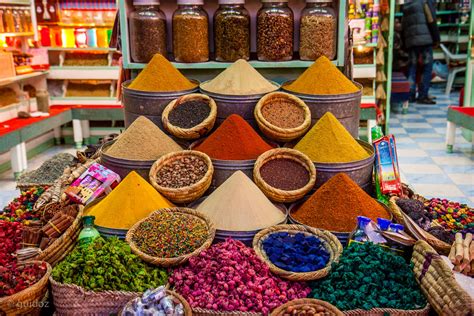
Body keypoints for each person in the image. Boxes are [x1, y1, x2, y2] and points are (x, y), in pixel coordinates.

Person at [402, 0, 440, 104]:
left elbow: (403, 25)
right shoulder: (424, 2)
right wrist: (436, 39)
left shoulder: (406, 5)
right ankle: (423, 95)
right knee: (426, 68)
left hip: (411, 42)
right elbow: (431, 20)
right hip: (425, 40)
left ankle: (410, 95)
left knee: (412, 69)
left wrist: (405, 42)